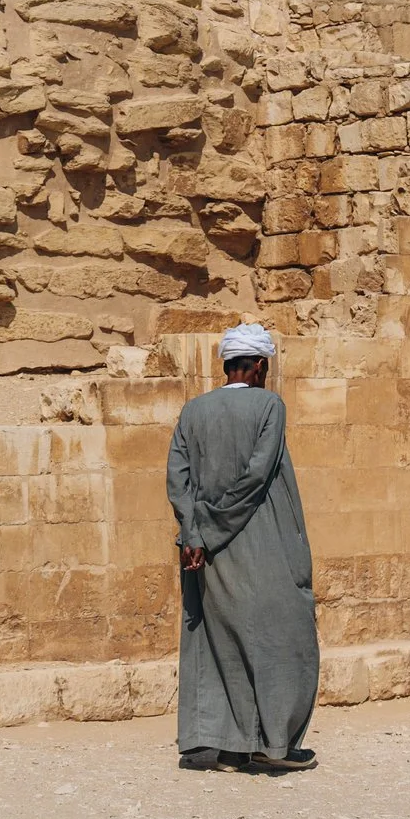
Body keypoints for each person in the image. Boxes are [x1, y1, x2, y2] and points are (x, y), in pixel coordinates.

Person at [165, 322, 320, 773]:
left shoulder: (193, 410)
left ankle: (230, 745)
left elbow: (179, 478)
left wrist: (194, 535)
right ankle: (274, 744)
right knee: (282, 635)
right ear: (257, 366)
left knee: (221, 640)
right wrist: (210, 529)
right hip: (260, 538)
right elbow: (256, 477)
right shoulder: (270, 405)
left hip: (203, 551)